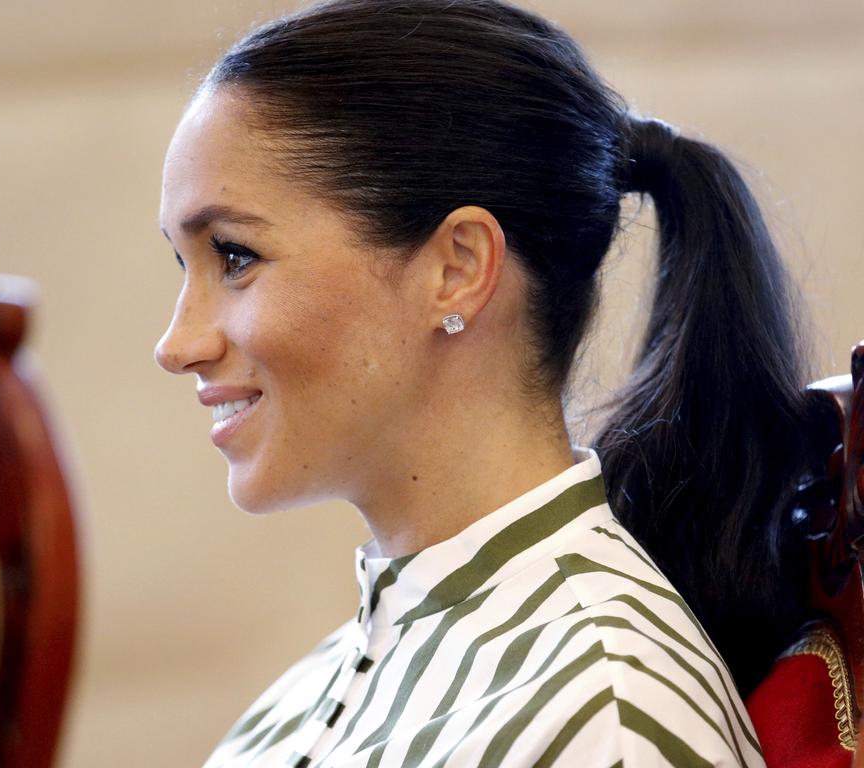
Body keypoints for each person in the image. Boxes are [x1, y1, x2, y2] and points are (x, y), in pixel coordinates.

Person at [154, 0, 815, 764]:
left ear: (457, 268)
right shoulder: (309, 694)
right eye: (185, 264)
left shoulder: (604, 716)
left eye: (234, 256)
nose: (177, 344)